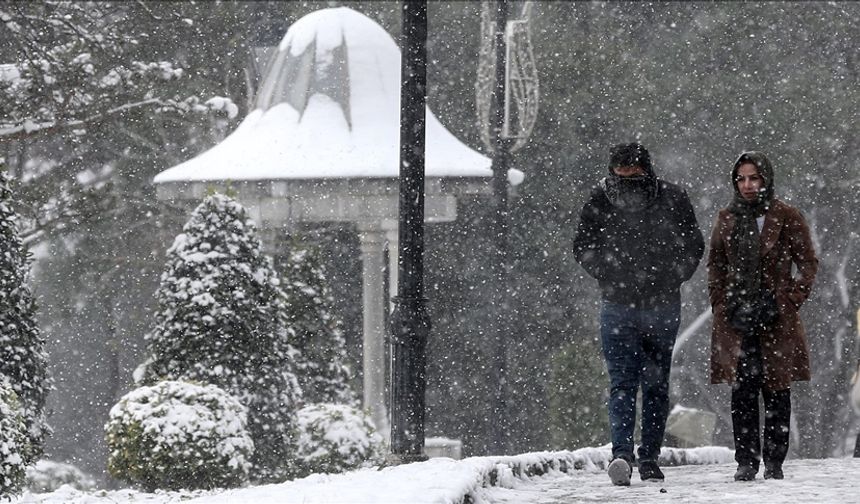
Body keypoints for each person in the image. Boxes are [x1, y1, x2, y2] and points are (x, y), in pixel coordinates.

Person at [573, 142, 704, 486]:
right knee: (628, 383)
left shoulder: (673, 199)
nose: (627, 184)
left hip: (656, 304)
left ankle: (644, 456)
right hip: (621, 304)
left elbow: (693, 246)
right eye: (622, 176)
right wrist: (611, 273)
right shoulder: (601, 200)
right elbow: (583, 246)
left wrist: (669, 275)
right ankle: (625, 455)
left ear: (645, 170)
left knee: (650, 384)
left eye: (633, 176)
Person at [707, 151, 818, 481]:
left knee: (776, 390)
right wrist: (722, 304)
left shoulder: (786, 215)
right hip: (737, 319)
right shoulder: (727, 217)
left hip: (775, 319)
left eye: (754, 177)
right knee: (742, 391)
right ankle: (746, 460)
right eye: (741, 178)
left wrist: (787, 300)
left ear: (766, 179)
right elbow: (716, 266)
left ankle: (774, 461)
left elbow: (808, 263)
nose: (747, 185)